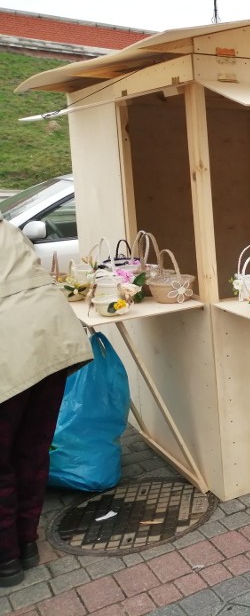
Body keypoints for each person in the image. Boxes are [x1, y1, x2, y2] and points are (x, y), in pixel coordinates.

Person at [0, 214, 92, 587]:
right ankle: (25, 545)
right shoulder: (7, 229)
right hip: (51, 338)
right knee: (32, 452)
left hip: (9, 351)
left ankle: (6, 558)